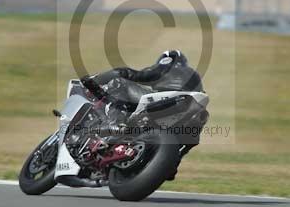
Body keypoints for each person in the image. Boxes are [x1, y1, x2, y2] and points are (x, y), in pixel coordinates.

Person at [81, 50, 205, 180]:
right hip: (190, 114)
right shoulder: (194, 78)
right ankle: (172, 164)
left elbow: (134, 75)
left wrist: (96, 80)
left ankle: (115, 123)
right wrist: (171, 161)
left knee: (119, 82)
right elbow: (191, 141)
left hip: (169, 101)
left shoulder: (168, 66)